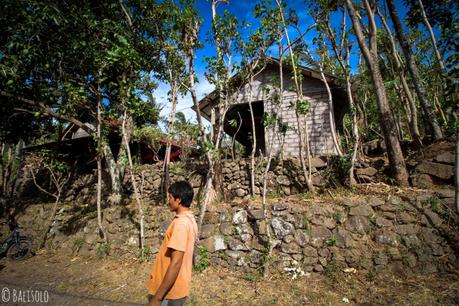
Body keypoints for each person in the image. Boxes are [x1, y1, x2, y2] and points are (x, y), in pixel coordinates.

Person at [146, 181, 198, 306]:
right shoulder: (189, 219)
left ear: (178, 200)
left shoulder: (181, 224)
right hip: (176, 289)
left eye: (170, 197)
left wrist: (158, 298)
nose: (168, 201)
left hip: (169, 294)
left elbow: (176, 263)